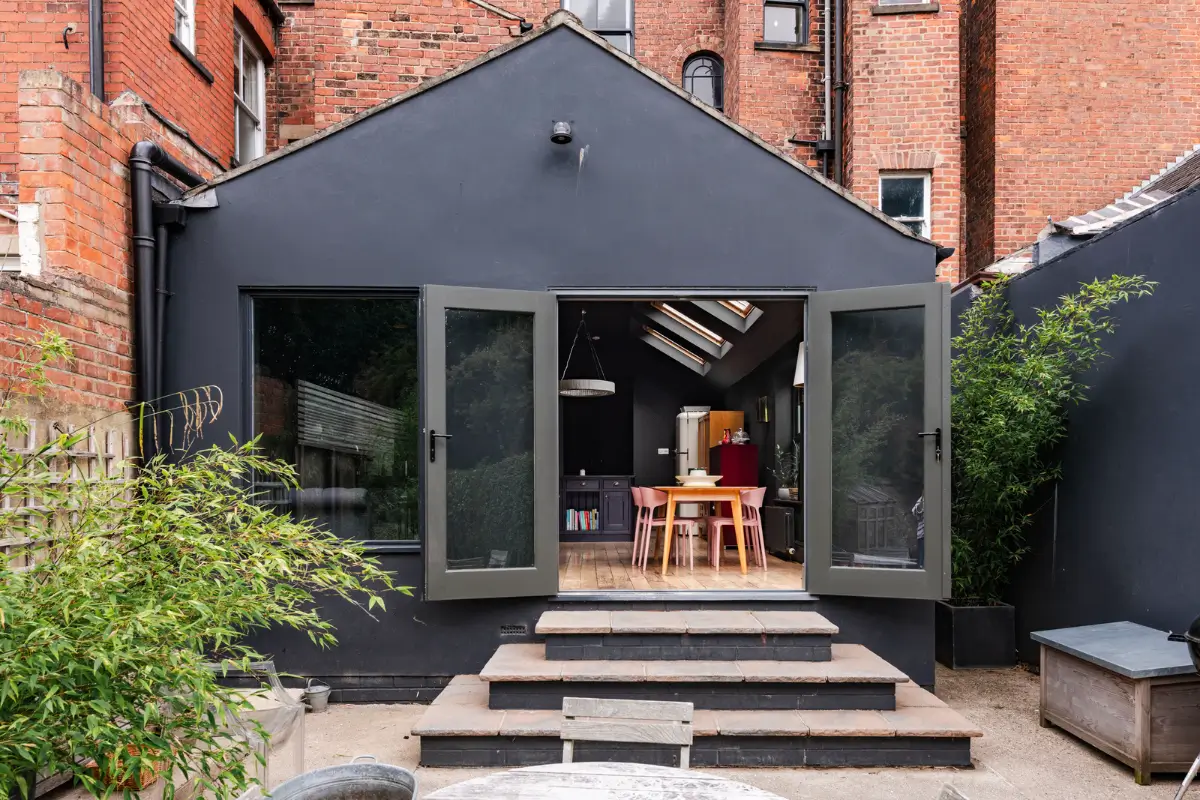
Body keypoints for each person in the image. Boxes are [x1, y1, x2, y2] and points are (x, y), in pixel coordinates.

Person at [911, 495, 925, 569]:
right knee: (922, 558)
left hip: (932, 536)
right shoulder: (922, 499)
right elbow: (914, 511)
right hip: (922, 535)